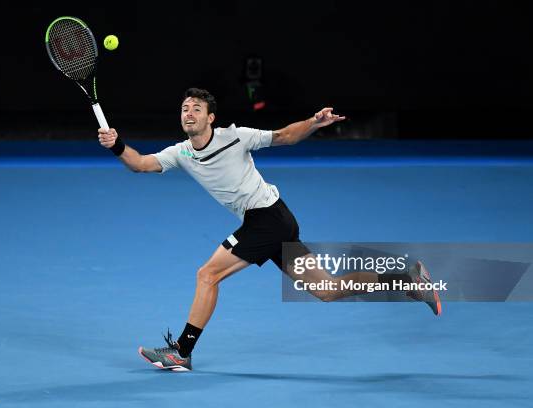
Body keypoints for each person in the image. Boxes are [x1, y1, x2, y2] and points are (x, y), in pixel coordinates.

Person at [98, 88, 441, 372]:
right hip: (272, 220)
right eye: (185, 108)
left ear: (210, 118)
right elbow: (140, 164)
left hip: (268, 219)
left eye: (196, 109)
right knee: (326, 290)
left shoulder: (235, 137)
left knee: (207, 275)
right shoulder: (182, 152)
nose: (188, 113)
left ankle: (182, 352)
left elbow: (285, 137)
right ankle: (408, 279)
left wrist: (314, 122)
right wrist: (116, 145)